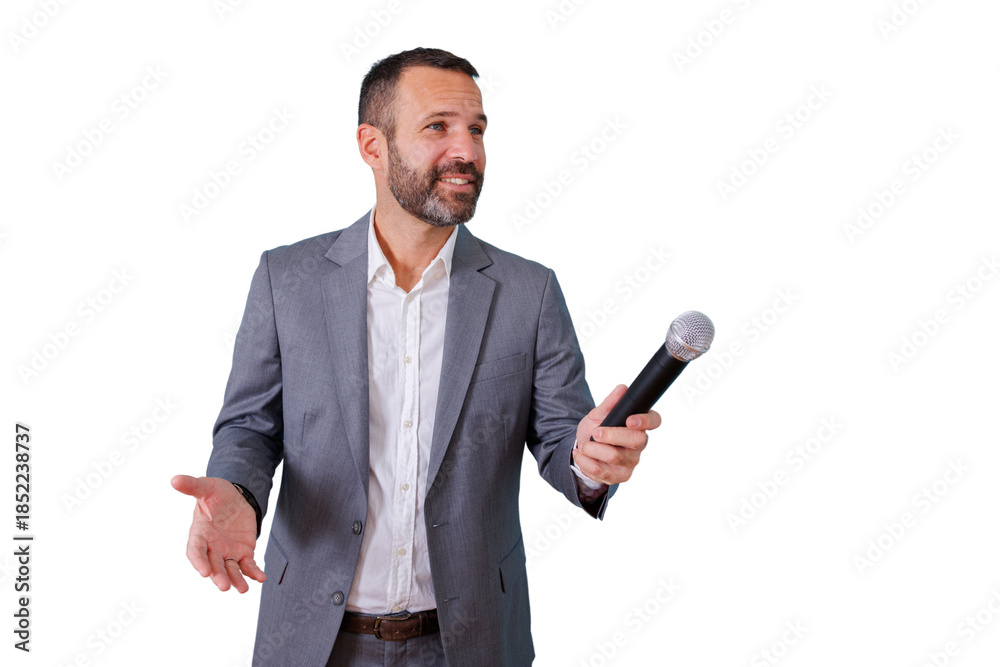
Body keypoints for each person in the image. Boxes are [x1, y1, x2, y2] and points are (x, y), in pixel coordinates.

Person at [172, 47, 660, 667]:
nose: (467, 151)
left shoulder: (528, 292)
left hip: (473, 643)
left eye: (477, 130)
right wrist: (238, 492)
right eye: (438, 127)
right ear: (372, 146)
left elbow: (565, 442)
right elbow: (249, 426)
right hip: (315, 641)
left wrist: (591, 462)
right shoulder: (287, 280)